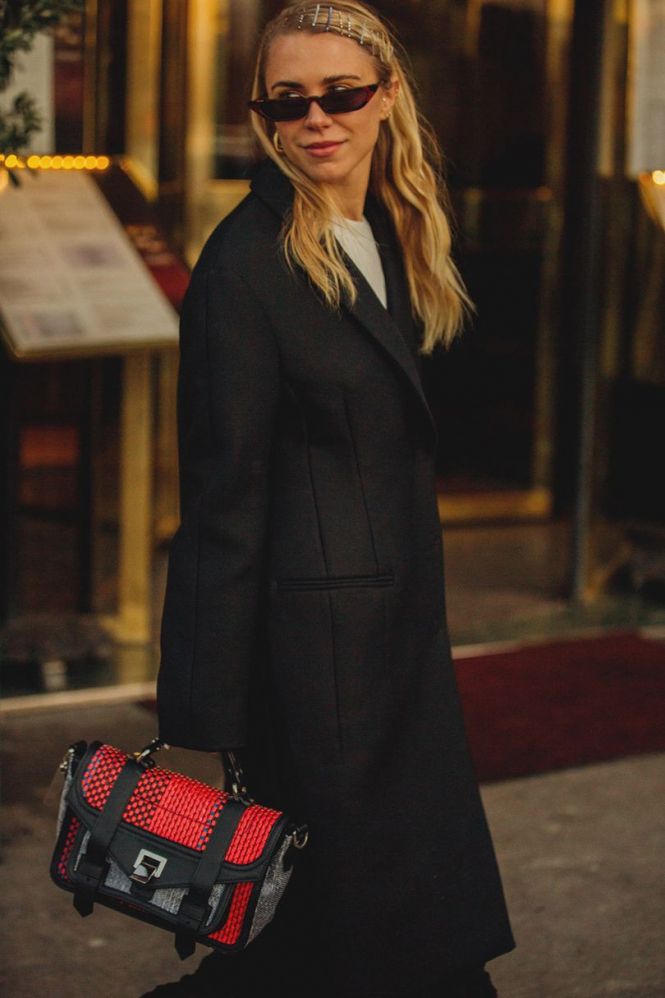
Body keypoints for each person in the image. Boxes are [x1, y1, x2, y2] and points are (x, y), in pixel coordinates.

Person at [148, 3, 515, 996]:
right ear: (263, 114)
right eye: (288, 100)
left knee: (357, 927)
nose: (316, 118)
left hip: (392, 641)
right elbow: (222, 493)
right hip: (316, 671)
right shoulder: (242, 264)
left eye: (341, 93)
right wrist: (203, 712)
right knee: (368, 929)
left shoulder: (387, 229)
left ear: (386, 96)